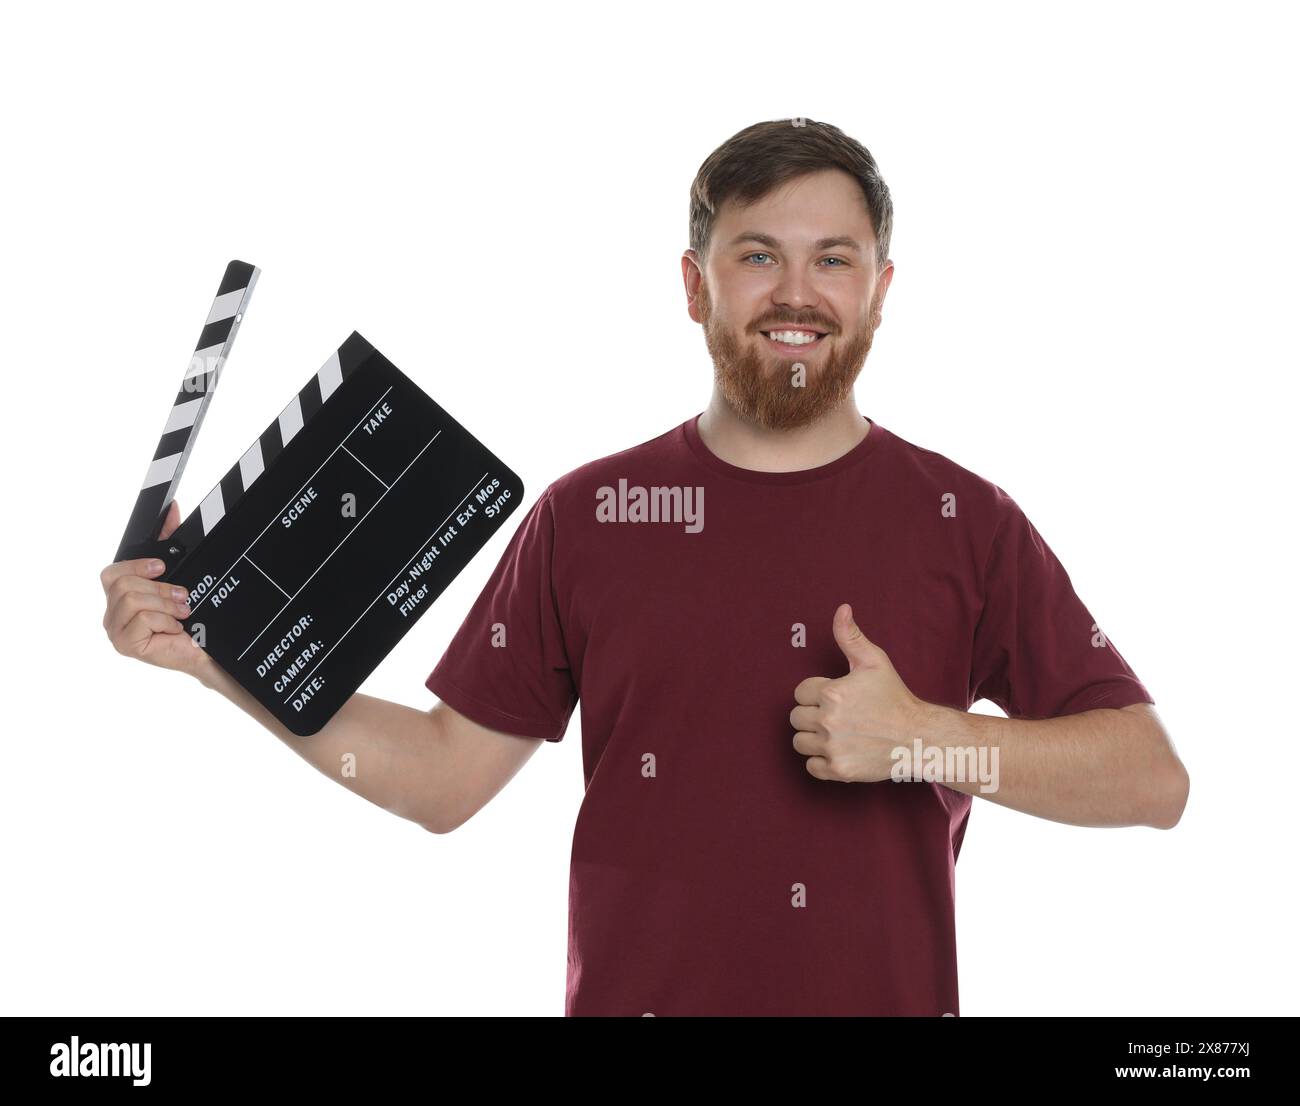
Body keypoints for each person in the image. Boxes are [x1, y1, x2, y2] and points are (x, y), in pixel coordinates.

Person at [100, 118, 1188, 1017]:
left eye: (833, 259)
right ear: (693, 282)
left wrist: (928, 739)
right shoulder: (587, 517)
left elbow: (1150, 777)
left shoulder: (966, 522)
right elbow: (441, 778)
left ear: (881, 287)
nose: (794, 293)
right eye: (757, 254)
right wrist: (217, 653)